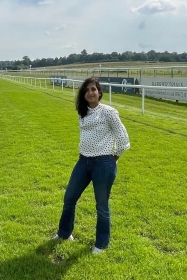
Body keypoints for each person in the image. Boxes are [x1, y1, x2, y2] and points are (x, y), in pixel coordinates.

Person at [52, 77, 130, 254]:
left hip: (103, 164)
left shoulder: (109, 112)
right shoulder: (83, 112)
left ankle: (101, 244)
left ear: (99, 92)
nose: (90, 93)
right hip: (83, 161)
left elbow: (124, 140)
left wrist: (112, 159)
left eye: (93, 89)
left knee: (101, 206)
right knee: (69, 198)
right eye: (86, 90)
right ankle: (64, 233)